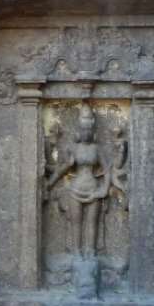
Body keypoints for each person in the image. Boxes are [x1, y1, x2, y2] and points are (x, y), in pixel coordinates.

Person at [45, 103, 111, 259]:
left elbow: (107, 169)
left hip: (93, 189)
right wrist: (50, 183)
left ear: (93, 131)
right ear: (78, 131)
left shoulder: (97, 149)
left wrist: (104, 189)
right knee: (76, 222)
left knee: (92, 222)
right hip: (75, 189)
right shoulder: (72, 148)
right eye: (83, 129)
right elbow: (63, 168)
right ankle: (76, 251)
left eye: (89, 129)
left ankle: (91, 251)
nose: (86, 133)